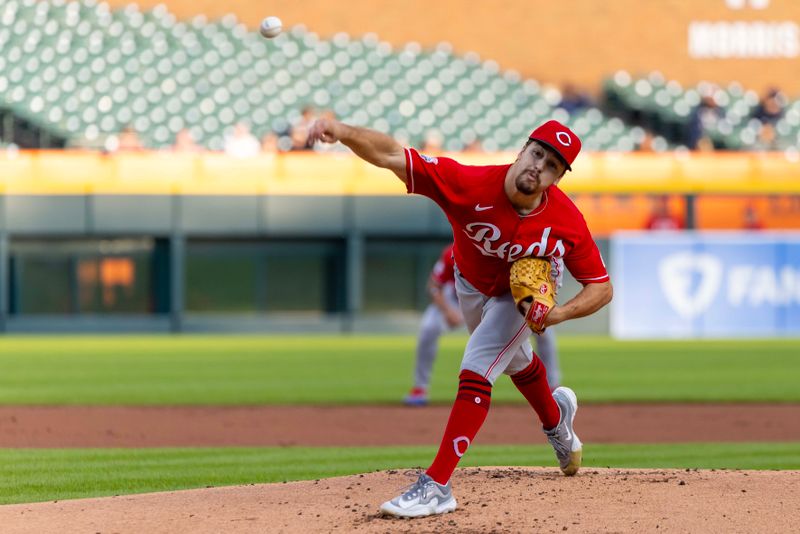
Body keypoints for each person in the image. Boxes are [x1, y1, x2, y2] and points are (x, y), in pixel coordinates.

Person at [308, 118, 612, 518]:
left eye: (553, 165)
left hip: (520, 299)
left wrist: (557, 315)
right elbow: (390, 154)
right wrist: (343, 132)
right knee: (516, 361)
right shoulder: (466, 182)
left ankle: (437, 486)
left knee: (479, 363)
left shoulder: (566, 220)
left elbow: (601, 287)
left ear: (557, 178)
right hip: (469, 285)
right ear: (522, 151)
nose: (539, 166)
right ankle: (558, 424)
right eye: (537, 153)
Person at [405, 242, 562, 406]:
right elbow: (434, 286)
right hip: (454, 298)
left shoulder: (507, 248)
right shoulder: (453, 252)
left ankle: (553, 385)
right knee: (429, 327)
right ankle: (419, 388)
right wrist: (448, 311)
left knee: (545, 331)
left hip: (497, 297)